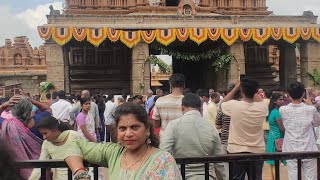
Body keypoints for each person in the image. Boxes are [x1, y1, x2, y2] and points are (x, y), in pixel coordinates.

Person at [65, 103, 182, 180]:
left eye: (135, 127)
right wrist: (80, 173)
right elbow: (72, 142)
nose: (128, 134)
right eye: (122, 128)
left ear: (147, 130)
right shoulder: (114, 152)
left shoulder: (163, 160)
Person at [160, 93, 226, 180]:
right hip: (206, 176)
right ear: (201, 108)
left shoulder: (173, 125)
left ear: (182, 108)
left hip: (180, 175)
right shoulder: (211, 128)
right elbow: (219, 161)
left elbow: (164, 152)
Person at [221, 78, 268, 180]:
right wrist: (253, 90)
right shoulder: (262, 108)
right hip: (257, 150)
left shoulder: (234, 105)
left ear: (242, 91)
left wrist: (236, 87)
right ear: (256, 92)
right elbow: (259, 101)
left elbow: (222, 103)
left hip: (236, 150)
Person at [279, 82, 320, 180]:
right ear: (303, 94)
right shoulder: (311, 109)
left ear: (288, 94)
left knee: (293, 176)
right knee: (311, 177)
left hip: (291, 148)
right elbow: (317, 122)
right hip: (309, 148)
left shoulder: (283, 109)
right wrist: (310, 103)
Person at [1, 96, 42, 179]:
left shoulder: (5, 124)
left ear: (12, 110)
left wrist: (3, 106)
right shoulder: (41, 122)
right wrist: (34, 101)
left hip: (13, 172)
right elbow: (48, 110)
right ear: (30, 108)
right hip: (39, 172)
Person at [152, 73, 185, 138]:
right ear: (184, 85)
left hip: (165, 140)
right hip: (183, 141)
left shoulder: (160, 101)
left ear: (170, 84)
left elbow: (156, 124)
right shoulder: (188, 101)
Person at [265, 92, 286, 179]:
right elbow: (282, 128)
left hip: (272, 138)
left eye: (283, 99)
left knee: (271, 163)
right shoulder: (277, 113)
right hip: (277, 139)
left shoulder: (272, 111)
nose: (282, 101)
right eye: (280, 100)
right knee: (275, 163)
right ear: (274, 101)